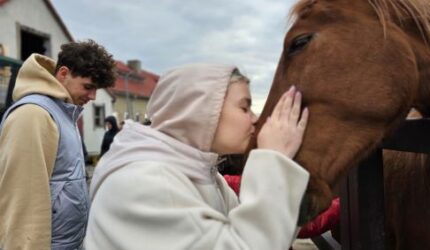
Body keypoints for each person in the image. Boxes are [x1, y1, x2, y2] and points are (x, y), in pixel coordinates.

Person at [86, 64, 309, 250]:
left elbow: (268, 233)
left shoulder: (205, 176)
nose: (255, 119)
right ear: (202, 110)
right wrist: (274, 159)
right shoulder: (144, 182)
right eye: (245, 108)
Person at [0, 40, 116, 250]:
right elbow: (22, 203)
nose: (93, 97)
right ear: (63, 74)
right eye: (88, 86)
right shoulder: (33, 114)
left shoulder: (62, 113)